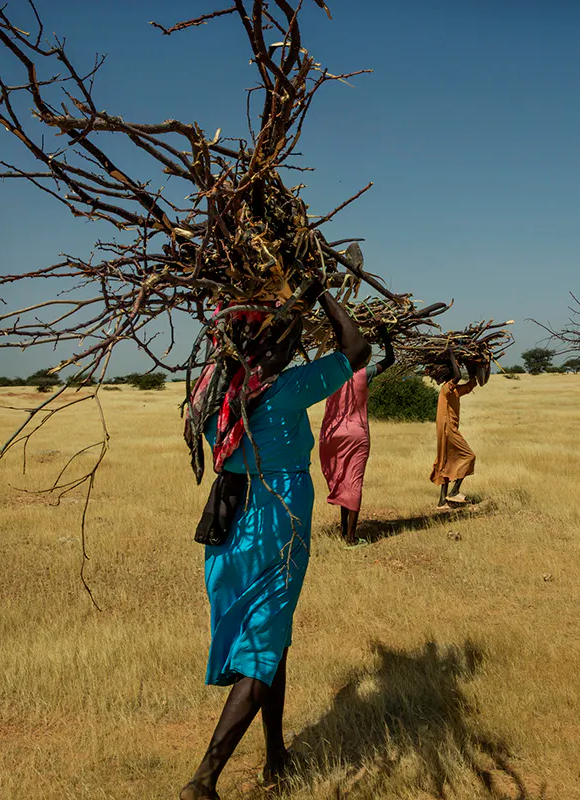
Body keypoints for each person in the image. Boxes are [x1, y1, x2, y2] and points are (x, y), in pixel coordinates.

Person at [180, 292, 370, 800]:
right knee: (262, 647)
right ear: (266, 347)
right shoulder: (285, 389)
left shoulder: (215, 390)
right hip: (275, 521)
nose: (292, 349)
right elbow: (357, 349)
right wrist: (323, 291)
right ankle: (203, 781)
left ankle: (276, 754)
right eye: (286, 340)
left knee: (272, 636)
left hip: (229, 528)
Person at [319, 328, 395, 545]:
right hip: (356, 434)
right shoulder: (364, 374)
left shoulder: (330, 376)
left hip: (332, 434)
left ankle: (344, 529)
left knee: (342, 478)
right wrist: (384, 333)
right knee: (354, 481)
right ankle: (351, 538)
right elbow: (390, 359)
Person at [430, 352, 478, 508]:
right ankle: (454, 491)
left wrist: (472, 366)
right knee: (469, 456)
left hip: (448, 428)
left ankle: (442, 501)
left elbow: (471, 384)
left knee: (447, 460)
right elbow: (458, 376)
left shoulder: (455, 390)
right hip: (448, 428)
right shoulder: (446, 388)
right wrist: (451, 355)